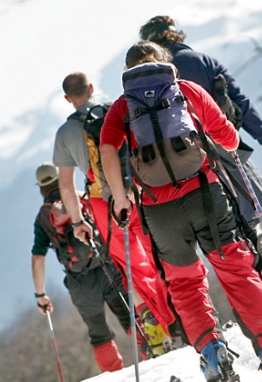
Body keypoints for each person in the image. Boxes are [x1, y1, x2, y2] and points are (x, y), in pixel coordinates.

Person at [99, 41, 262, 382]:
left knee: (185, 284)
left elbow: (107, 149)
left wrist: (120, 197)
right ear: (164, 63)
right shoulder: (186, 90)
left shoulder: (122, 108)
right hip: (207, 194)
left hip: (159, 210)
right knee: (237, 269)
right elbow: (228, 139)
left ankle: (213, 354)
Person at [139, 15, 262, 304]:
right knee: (249, 217)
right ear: (176, 34)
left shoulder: (152, 80)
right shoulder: (205, 61)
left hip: (191, 162)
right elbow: (241, 102)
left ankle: (255, 289)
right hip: (227, 147)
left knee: (224, 230)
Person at [53, 73, 181, 353]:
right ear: (91, 88)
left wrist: (78, 222)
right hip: (139, 191)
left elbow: (65, 185)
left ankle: (155, 328)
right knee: (159, 253)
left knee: (131, 267)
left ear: (67, 98)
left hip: (103, 204)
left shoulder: (64, 133)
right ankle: (183, 317)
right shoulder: (115, 108)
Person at [31, 161, 133, 372]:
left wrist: (40, 295)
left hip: (80, 281)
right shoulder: (81, 197)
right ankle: (154, 358)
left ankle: (115, 376)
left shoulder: (43, 218)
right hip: (107, 266)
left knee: (99, 334)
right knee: (132, 316)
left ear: (40, 188)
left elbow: (37, 259)